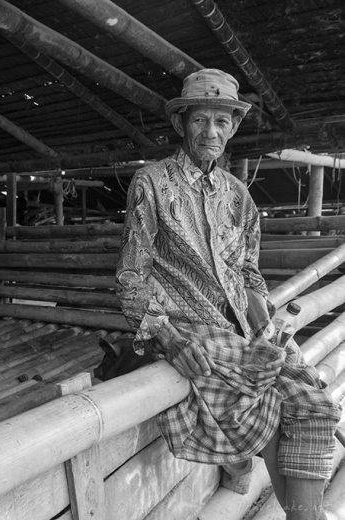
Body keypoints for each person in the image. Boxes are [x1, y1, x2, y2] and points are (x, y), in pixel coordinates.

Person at [116, 68, 341, 520]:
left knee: (314, 403)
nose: (211, 132)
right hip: (189, 329)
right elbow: (130, 277)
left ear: (233, 128)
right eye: (201, 120)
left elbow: (249, 273)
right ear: (182, 124)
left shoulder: (238, 196)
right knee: (272, 408)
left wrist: (266, 320)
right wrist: (166, 336)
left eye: (222, 122)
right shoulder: (152, 183)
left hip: (239, 330)